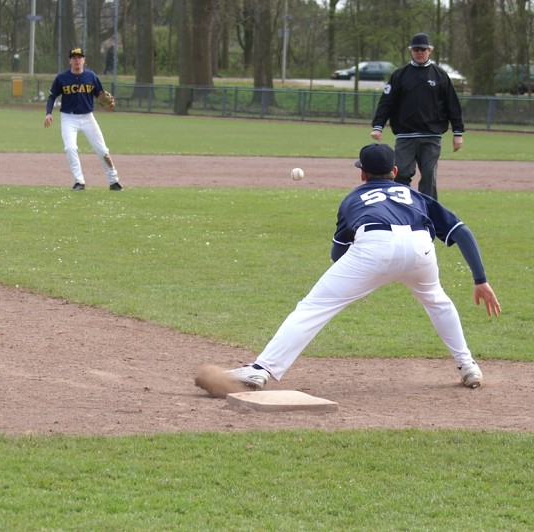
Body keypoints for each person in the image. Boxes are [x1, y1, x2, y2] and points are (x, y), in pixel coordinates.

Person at [203, 144, 500, 394]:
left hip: (374, 246)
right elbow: (461, 232)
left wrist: (362, 277)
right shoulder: (416, 196)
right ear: (395, 171)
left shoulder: (353, 198)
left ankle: (261, 369)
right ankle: (468, 366)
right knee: (437, 301)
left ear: (362, 174)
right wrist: (480, 280)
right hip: (421, 247)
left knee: (314, 307)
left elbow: (338, 253)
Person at [370, 33, 464, 200]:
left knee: (429, 175)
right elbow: (386, 102)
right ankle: (404, 206)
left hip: (431, 135)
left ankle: (428, 209)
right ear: (411, 51)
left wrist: (458, 132)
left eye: (423, 49)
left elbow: (452, 105)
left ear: (430, 51)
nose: (420, 52)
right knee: (401, 173)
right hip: (405, 135)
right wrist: (378, 126)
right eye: (416, 49)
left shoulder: (440, 75)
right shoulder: (400, 75)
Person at [43, 47, 122, 191]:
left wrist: (106, 101)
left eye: (79, 57)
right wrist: (49, 113)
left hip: (88, 118)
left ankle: (114, 181)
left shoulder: (91, 76)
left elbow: (100, 95)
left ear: (84, 60)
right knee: (70, 148)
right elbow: (52, 96)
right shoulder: (62, 78)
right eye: (74, 57)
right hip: (68, 118)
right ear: (70, 60)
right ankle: (79, 181)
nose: (77, 60)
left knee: (102, 150)